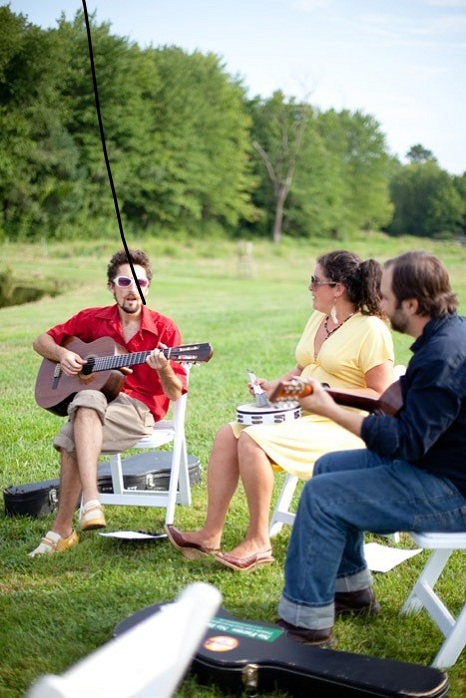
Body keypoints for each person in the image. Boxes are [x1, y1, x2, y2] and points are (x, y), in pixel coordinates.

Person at [276, 250, 466, 647]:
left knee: (322, 496)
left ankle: (305, 629)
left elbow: (406, 443)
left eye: (384, 295)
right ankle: (352, 592)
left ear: (411, 304)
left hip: (452, 491)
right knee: (328, 468)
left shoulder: (442, 357)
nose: (376, 301)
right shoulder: (446, 335)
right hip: (434, 465)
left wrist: (330, 410)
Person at [166, 250, 395, 571]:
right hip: (304, 413)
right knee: (227, 436)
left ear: (338, 288)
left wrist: (319, 393)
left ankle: (259, 541)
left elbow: (380, 395)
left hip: (345, 424)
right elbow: (304, 368)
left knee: (253, 440)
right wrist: (275, 386)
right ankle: (209, 534)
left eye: (315, 281)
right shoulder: (320, 317)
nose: (310, 287)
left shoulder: (371, 329)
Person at [29, 249, 187, 557]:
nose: (133, 288)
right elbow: (41, 341)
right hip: (97, 402)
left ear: (148, 287)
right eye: (125, 281)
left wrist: (163, 366)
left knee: (70, 433)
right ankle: (89, 505)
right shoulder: (92, 319)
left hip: (138, 410)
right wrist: (64, 355)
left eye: (140, 282)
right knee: (87, 398)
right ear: (112, 287)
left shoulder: (165, 329)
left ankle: (64, 527)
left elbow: (175, 392)